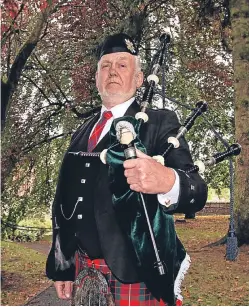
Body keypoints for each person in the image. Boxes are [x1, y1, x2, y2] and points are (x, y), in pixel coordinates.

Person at [46, 33, 208, 306]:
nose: (112, 71)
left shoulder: (160, 123)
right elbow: (64, 201)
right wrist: (62, 264)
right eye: (105, 66)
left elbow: (198, 190)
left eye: (122, 65)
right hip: (84, 270)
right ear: (97, 78)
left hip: (136, 273)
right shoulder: (83, 131)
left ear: (139, 78)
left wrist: (168, 180)